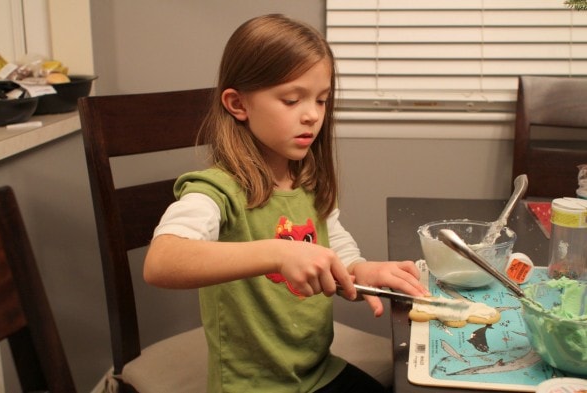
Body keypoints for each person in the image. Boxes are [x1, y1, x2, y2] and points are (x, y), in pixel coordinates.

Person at [144, 14, 428, 393]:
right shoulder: (216, 191)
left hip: (317, 370)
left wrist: (359, 270)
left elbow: (331, 237)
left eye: (321, 100)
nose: (312, 114)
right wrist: (277, 254)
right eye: (292, 99)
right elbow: (161, 262)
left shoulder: (305, 176)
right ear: (237, 104)